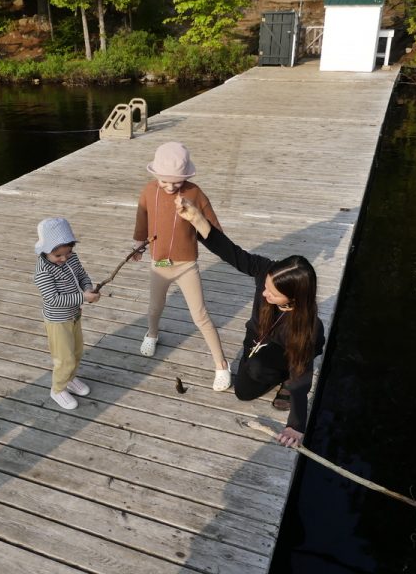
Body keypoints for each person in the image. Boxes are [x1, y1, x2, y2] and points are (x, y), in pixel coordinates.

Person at [175, 195, 325, 447]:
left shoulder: (307, 326)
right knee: (243, 392)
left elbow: (302, 376)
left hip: (284, 354)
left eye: (273, 294)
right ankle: (267, 368)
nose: (264, 294)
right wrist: (197, 219)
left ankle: (281, 377)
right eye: (265, 286)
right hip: (255, 341)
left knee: (260, 369)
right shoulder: (267, 271)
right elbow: (233, 253)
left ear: (294, 297)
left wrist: (296, 425)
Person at [131, 141, 231, 391]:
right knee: (154, 307)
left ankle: (221, 364)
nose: (169, 186)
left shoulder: (195, 193)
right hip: (159, 264)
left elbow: (213, 229)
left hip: (187, 265)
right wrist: (139, 245)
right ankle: (152, 334)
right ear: (155, 175)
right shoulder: (148, 191)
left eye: (175, 182)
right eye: (164, 181)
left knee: (201, 316)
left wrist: (198, 220)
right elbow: (142, 219)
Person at [34, 217, 101, 410]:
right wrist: (83, 298)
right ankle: (57, 389)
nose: (64, 258)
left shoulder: (71, 257)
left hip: (74, 315)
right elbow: (53, 299)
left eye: (68, 252)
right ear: (45, 251)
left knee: (77, 350)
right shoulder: (43, 272)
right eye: (58, 255)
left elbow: (82, 275)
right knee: (64, 357)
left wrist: (88, 288)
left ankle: (70, 379)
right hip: (57, 320)